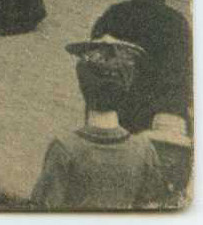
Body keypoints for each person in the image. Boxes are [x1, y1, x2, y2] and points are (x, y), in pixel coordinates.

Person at [31, 38, 169, 210]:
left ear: (84, 88)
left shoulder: (65, 148)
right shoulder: (144, 149)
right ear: (124, 90)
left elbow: (42, 211)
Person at [91, 0, 192, 136]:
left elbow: (93, 55)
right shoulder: (177, 22)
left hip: (115, 104)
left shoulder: (116, 13)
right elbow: (183, 71)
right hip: (156, 109)